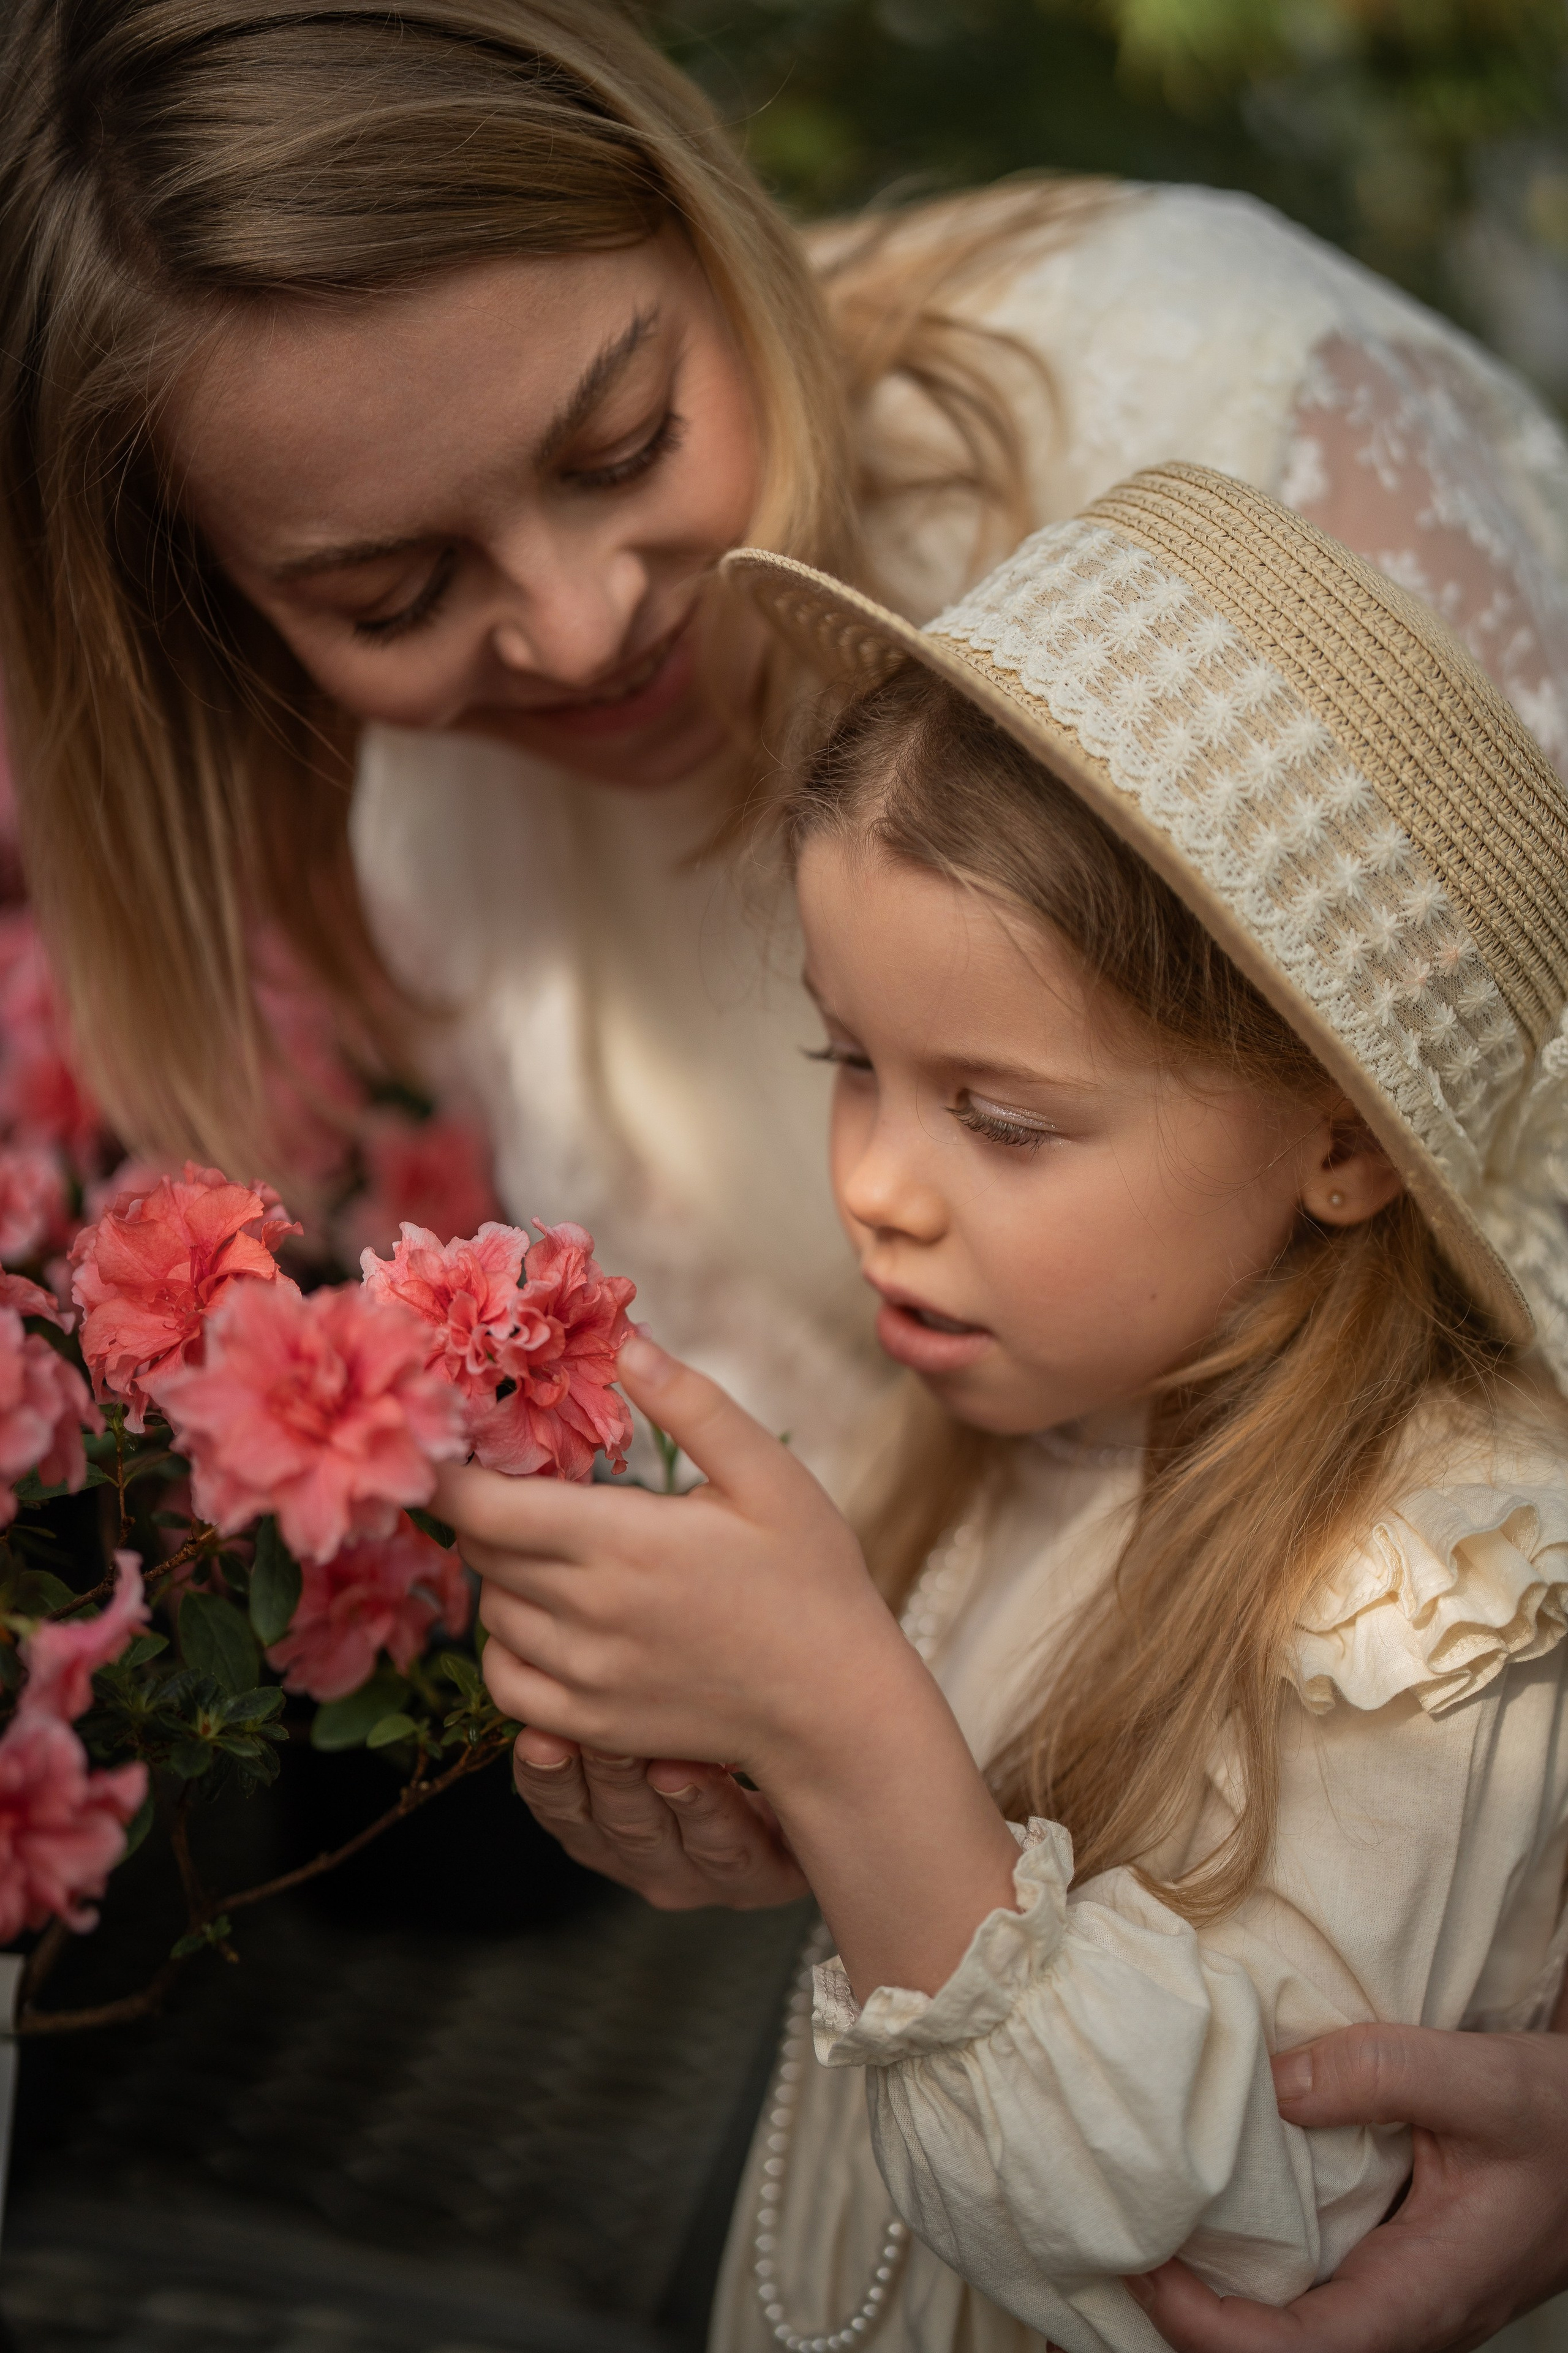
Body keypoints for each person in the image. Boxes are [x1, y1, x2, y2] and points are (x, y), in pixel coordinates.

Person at [0, 2, 1565, 2335]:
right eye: (390, 593)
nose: (579, 616)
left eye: (622, 436)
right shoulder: (437, 841)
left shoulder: (1229, 419)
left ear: (698, 216)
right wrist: (776, 1779)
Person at [448, 462, 1568, 2352]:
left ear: (1345, 1147)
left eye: (1003, 1115)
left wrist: (845, 1717)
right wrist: (770, 1786)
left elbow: (1251, 2249)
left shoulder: (1425, 1597)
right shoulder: (1033, 1412)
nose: (877, 1180)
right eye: (849, 1059)